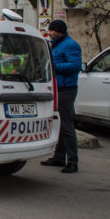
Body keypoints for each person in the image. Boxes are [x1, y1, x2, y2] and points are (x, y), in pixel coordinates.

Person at [41, 20, 82, 173]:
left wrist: (53, 67)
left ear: (59, 31)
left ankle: (72, 161)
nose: (49, 33)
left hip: (66, 89)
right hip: (57, 88)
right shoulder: (56, 45)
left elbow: (75, 65)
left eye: (51, 31)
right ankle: (59, 156)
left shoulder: (71, 45)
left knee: (67, 126)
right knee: (60, 124)